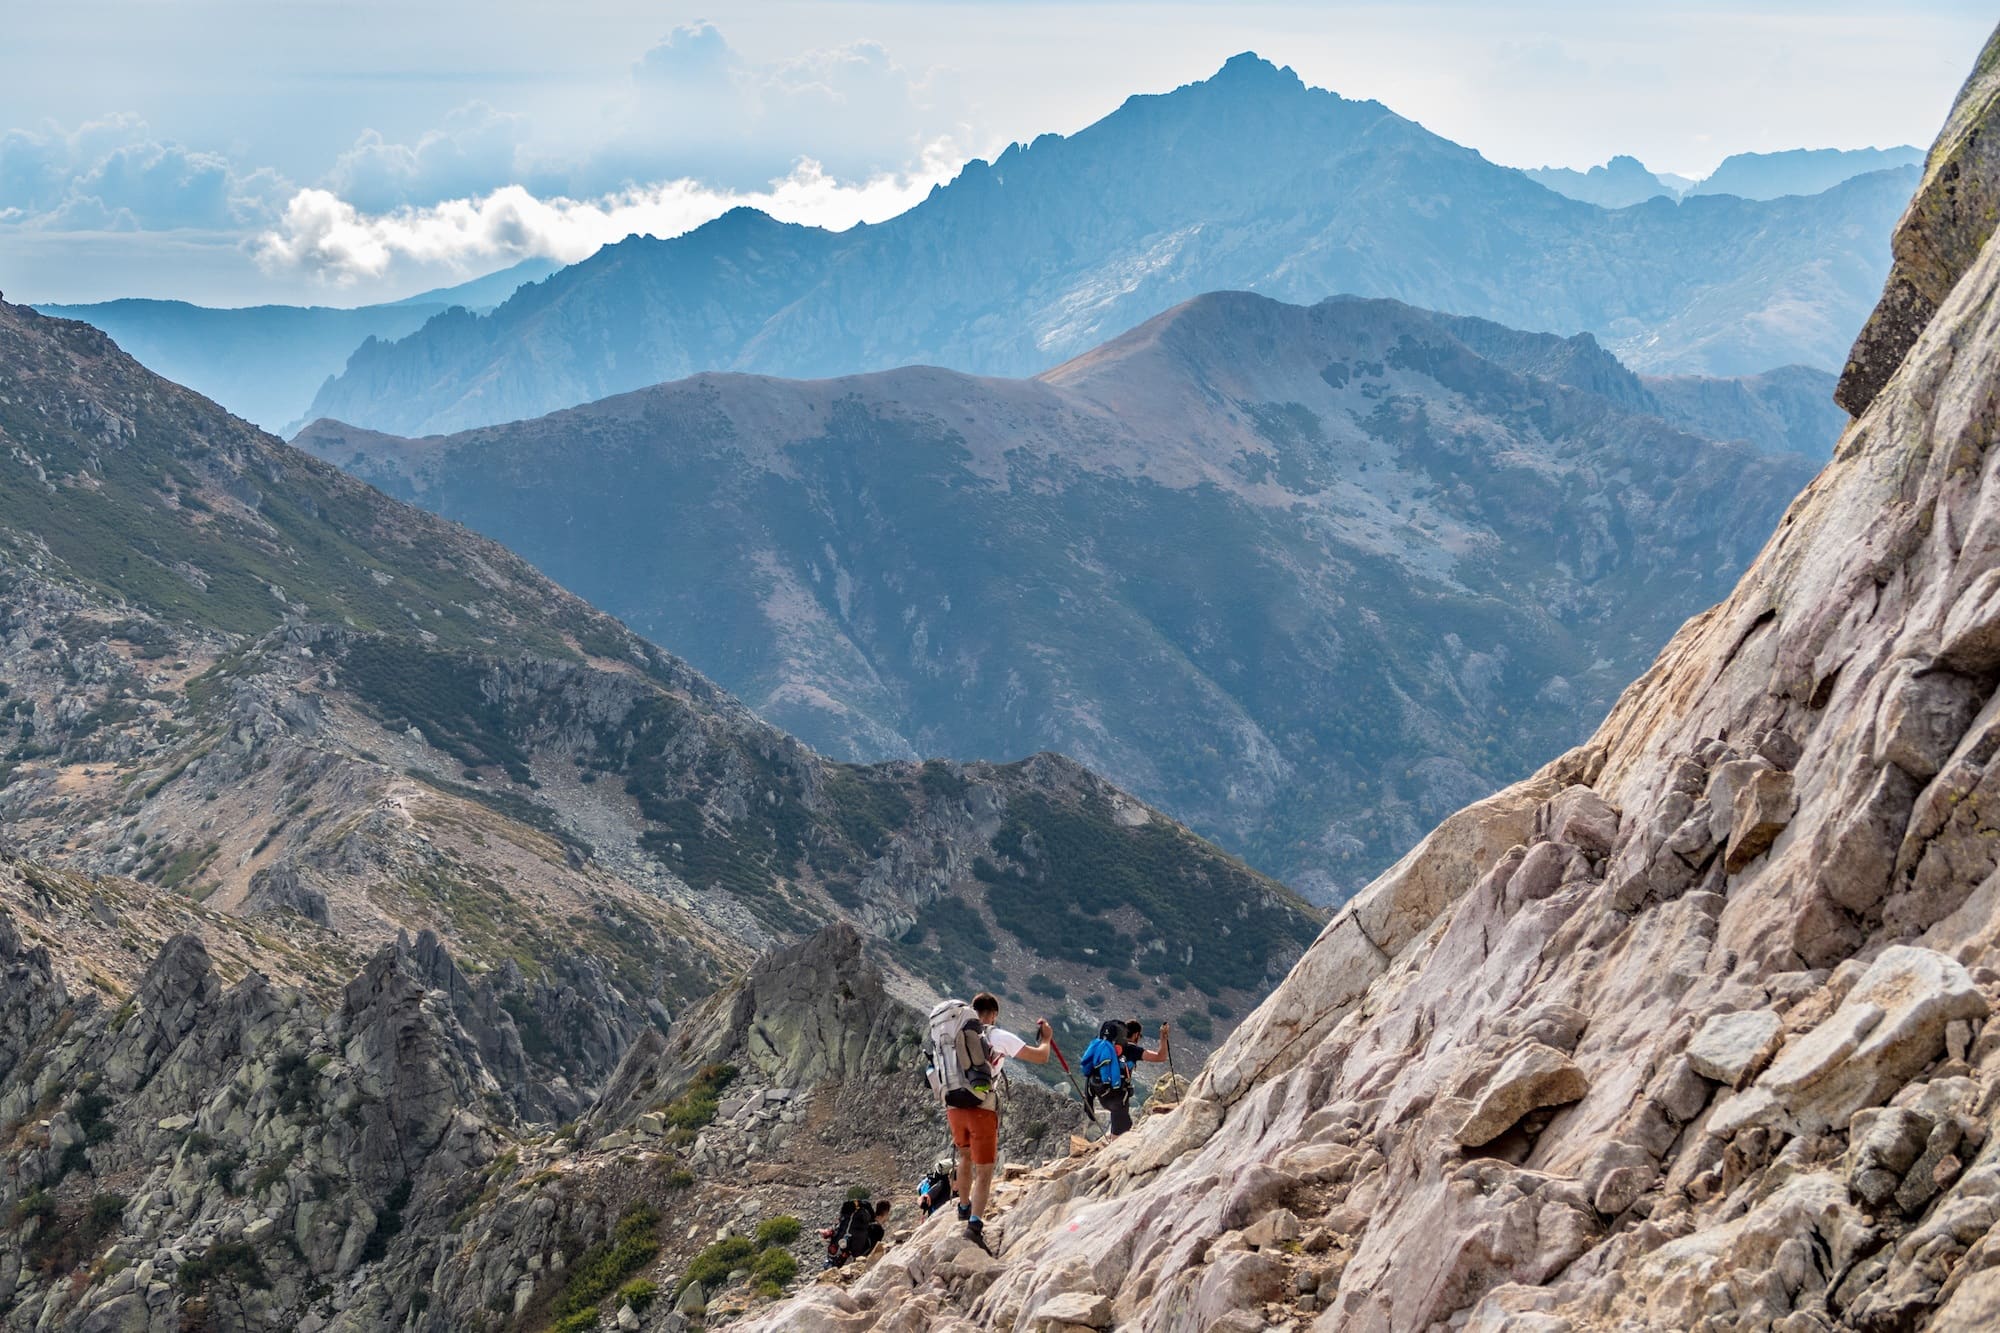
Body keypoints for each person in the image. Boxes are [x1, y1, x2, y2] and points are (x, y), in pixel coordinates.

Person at [946, 991, 1052, 1245]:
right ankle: (974, 1227)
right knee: (984, 1170)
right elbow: (1041, 1056)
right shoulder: (997, 1035)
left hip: (954, 1105)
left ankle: (963, 1208)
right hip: (982, 1106)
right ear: (993, 1014)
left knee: (964, 1156)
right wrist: (1046, 1039)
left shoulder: (954, 1034)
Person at [822, 1198, 893, 1268]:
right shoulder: (878, 1230)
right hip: (855, 1257)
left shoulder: (866, 1221)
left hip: (839, 1252)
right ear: (886, 1213)